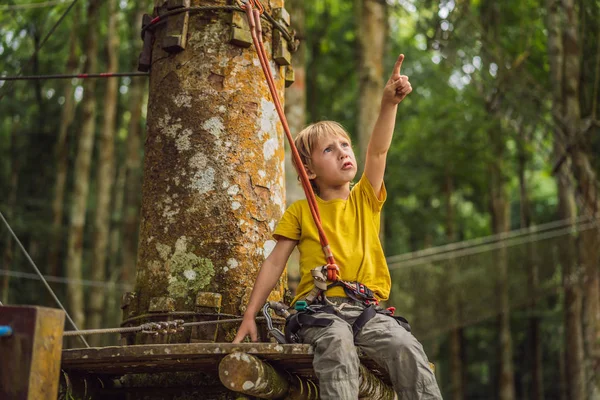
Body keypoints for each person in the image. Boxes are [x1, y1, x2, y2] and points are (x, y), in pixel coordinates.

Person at [233, 54, 442, 399]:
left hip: (365, 311)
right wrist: (250, 314)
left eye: (345, 145)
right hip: (319, 313)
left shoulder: (364, 199)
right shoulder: (301, 212)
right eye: (329, 150)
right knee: (338, 346)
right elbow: (274, 263)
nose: (343, 152)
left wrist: (389, 103)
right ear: (309, 171)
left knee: (406, 347)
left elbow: (377, 153)